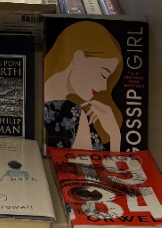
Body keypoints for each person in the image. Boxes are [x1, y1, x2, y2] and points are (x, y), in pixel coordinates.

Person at [43, 20, 123, 150]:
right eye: (103, 74)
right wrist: (114, 137)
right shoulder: (73, 113)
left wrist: (114, 136)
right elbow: (103, 170)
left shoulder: (74, 112)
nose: (103, 87)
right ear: (78, 58)